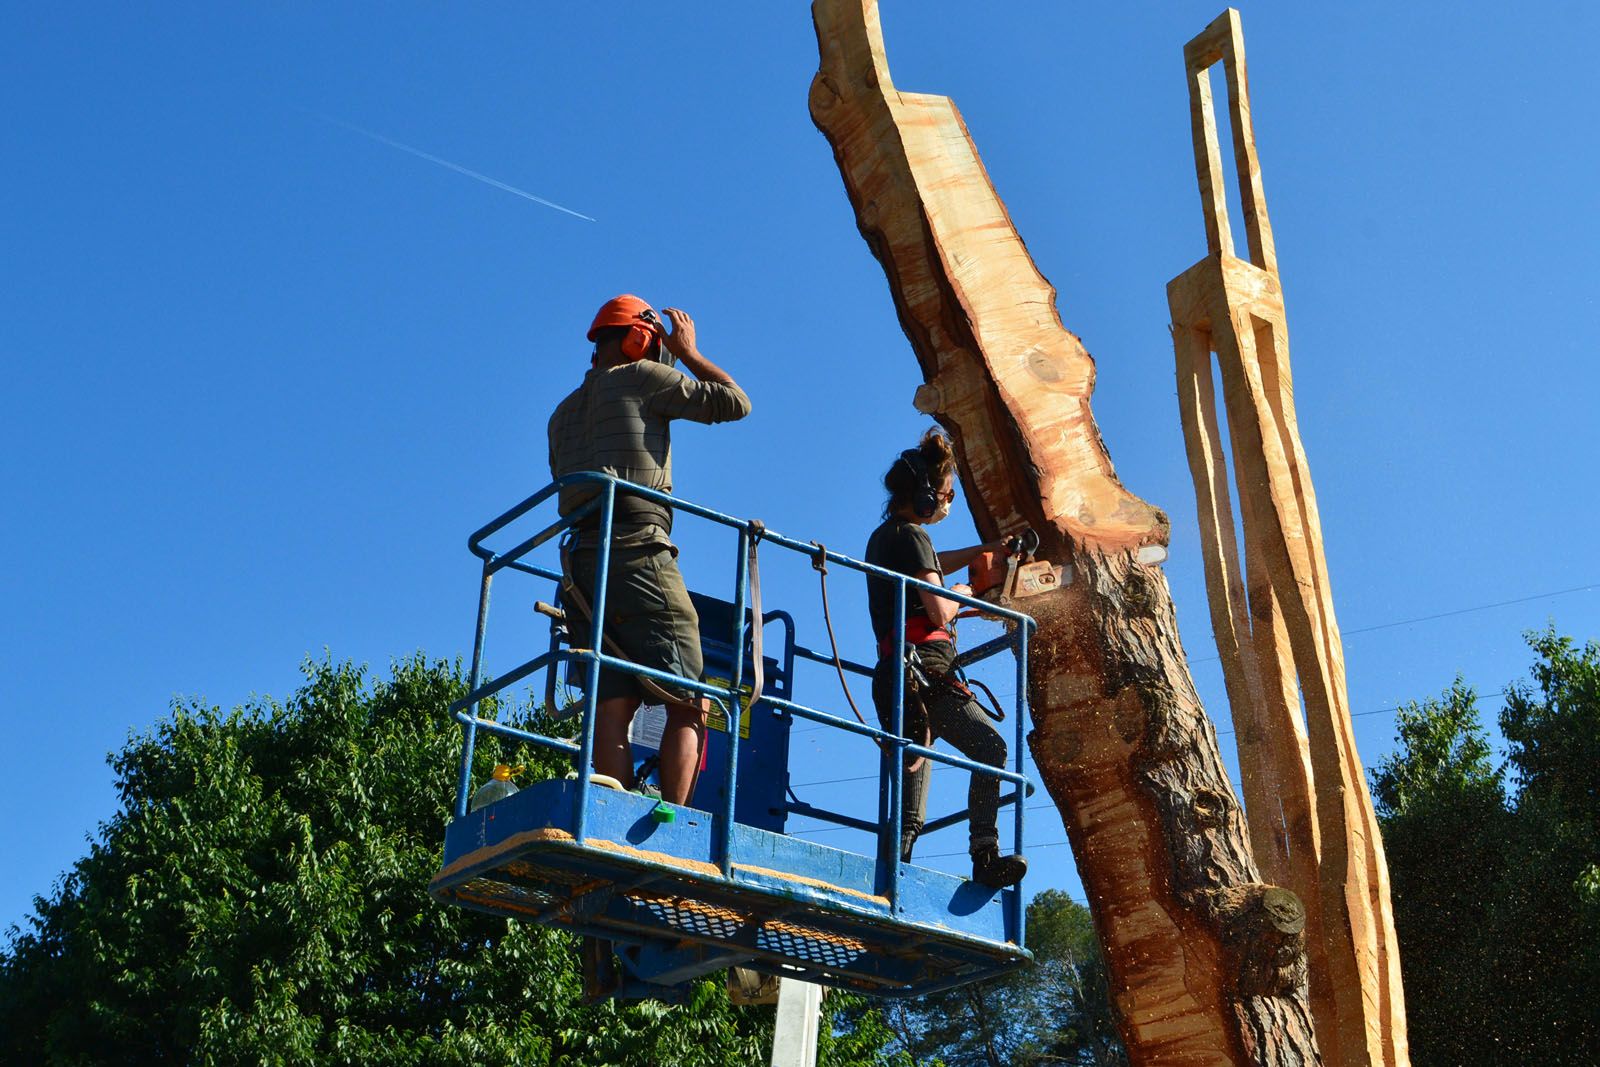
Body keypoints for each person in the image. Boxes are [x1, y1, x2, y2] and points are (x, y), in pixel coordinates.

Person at [548, 294, 751, 805]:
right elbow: (734, 402)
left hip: (581, 569)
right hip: (638, 552)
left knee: (613, 703)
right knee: (690, 702)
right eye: (656, 344)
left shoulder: (562, 414)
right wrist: (689, 353)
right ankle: (672, 827)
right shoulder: (641, 376)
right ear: (640, 339)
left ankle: (612, 816)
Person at [864, 429, 1027, 889]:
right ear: (926, 494)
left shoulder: (888, 536)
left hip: (898, 671)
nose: (949, 502)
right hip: (929, 671)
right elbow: (939, 608)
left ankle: (897, 867)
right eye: (948, 493)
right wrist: (969, 591)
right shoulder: (912, 537)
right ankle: (985, 855)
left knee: (913, 782)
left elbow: (934, 561)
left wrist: (982, 551)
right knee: (991, 749)